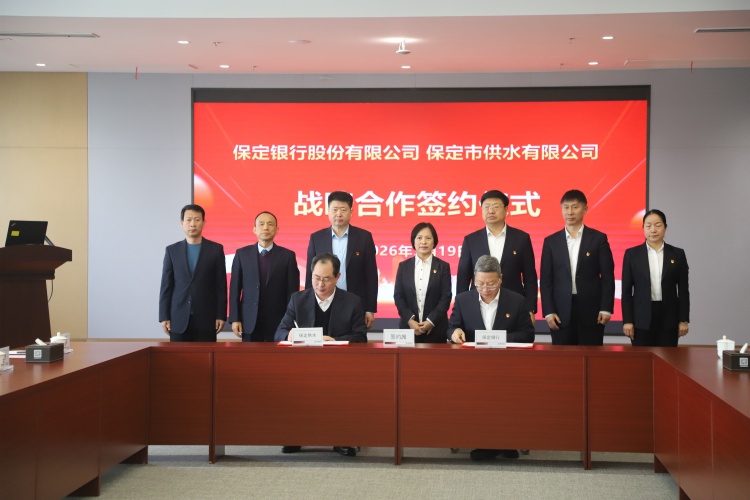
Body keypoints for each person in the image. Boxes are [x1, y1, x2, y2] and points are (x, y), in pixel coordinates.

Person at [274, 252, 366, 458]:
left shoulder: (352, 301)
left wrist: (335, 340)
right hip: (304, 365)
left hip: (339, 366)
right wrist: (289, 334)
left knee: (343, 392)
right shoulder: (298, 299)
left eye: (326, 279)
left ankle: (343, 439)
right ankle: (295, 436)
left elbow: (360, 337)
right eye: (316, 278)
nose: (320, 284)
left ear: (337, 277)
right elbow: (279, 332)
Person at [447, 255, 534, 462]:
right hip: (472, 367)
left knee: (505, 400)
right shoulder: (463, 299)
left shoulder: (516, 300)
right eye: (480, 284)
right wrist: (455, 333)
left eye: (491, 284)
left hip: (506, 367)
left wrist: (498, 339)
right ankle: (492, 443)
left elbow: (527, 334)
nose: (485, 289)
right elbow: (451, 327)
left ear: (500, 279)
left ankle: (498, 442)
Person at [540, 190, 615, 346]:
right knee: (563, 358)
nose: (570, 212)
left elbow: (607, 277)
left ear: (585, 209)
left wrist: (606, 308)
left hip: (592, 311)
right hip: (560, 312)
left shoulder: (598, 239)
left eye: (575, 207)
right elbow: (546, 280)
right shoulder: (551, 242)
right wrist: (548, 311)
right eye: (566, 207)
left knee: (592, 356)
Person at [456, 189, 538, 325]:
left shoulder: (521, 238)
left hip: (514, 305)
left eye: (495, 207)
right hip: (479, 305)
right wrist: (460, 310)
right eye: (486, 207)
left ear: (506, 210)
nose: (491, 211)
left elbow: (530, 277)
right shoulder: (471, 240)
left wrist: (530, 308)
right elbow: (463, 279)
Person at [305, 191, 378, 329]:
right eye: (335, 209)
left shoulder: (364, 238)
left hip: (355, 303)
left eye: (343, 210)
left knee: (354, 340)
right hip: (323, 302)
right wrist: (308, 305)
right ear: (328, 211)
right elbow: (310, 275)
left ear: (351, 212)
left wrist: (370, 309)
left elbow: (371, 276)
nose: (338, 214)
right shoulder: (317, 238)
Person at [159, 204, 227, 342]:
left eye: (197, 219)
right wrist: (164, 316)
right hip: (178, 317)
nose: (192, 224)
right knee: (178, 356)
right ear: (182, 223)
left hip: (206, 318)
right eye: (188, 220)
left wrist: (221, 315)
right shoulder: (172, 251)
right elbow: (166, 286)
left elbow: (221, 286)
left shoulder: (216, 250)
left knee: (206, 356)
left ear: (203, 223)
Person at [228, 211, 300, 342]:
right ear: (254, 229)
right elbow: (235, 289)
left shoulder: (287, 256)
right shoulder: (242, 254)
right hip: (249, 320)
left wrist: (290, 320)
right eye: (261, 224)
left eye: (270, 224)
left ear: (277, 230)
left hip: (278, 321)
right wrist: (235, 318)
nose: (265, 227)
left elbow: (292, 292)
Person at [622, 209, 689, 346]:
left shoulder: (677, 254)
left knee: (668, 357)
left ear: (665, 227)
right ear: (643, 228)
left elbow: (683, 290)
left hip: (669, 317)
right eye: (648, 226)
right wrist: (628, 321)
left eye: (658, 225)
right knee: (642, 357)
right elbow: (626, 291)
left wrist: (683, 320)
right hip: (641, 318)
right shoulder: (632, 254)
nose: (653, 230)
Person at [393, 222, 452, 343]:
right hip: (408, 329)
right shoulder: (404, 266)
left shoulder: (443, 266)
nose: (423, 242)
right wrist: (410, 320)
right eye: (419, 238)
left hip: (436, 329)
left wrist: (431, 321)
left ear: (434, 241)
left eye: (428, 238)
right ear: (413, 241)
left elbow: (446, 297)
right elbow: (398, 296)